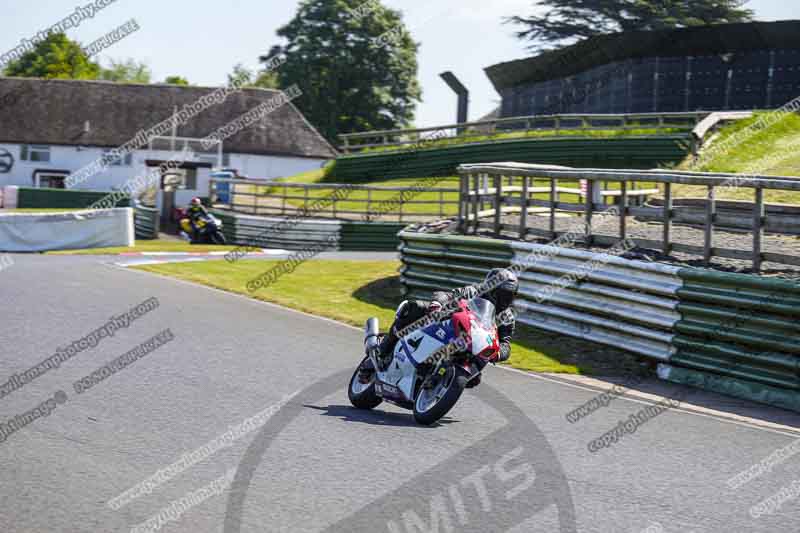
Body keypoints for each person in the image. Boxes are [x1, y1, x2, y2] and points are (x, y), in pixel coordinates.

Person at [359, 268, 519, 382]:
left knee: (474, 379)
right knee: (411, 308)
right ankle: (381, 352)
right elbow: (447, 295)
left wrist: (498, 353)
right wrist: (437, 304)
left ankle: (439, 381)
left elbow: (505, 343)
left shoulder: (507, 317)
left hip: (472, 346)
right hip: (449, 327)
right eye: (502, 294)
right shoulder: (472, 292)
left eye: (510, 295)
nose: (505, 299)